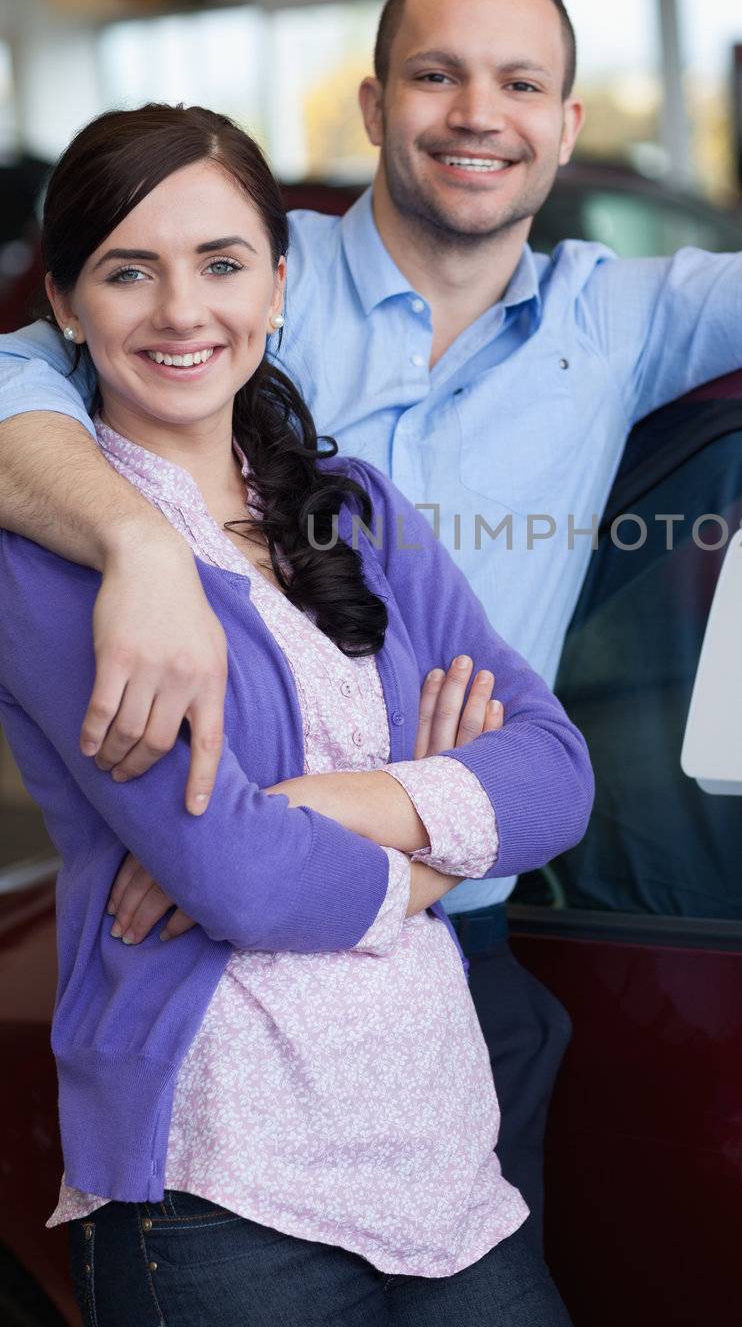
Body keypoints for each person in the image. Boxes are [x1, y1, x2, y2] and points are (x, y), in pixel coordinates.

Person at [1, 0, 742, 1242]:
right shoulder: (241, 283)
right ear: (375, 104)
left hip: (469, 938)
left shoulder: (619, 323)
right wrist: (141, 547)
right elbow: (20, 375)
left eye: (518, 82)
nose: (475, 114)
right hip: (216, 973)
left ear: (564, 124)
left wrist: (304, 817)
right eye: (436, 74)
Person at [0, 105, 591, 1325]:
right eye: (128, 270)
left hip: (439, 1159)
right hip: (221, 1182)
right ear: (63, 302)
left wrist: (321, 806)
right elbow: (246, 881)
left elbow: (557, 770)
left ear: (276, 283)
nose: (181, 311)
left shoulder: (352, 508)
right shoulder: (48, 563)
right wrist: (433, 844)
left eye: (221, 263)